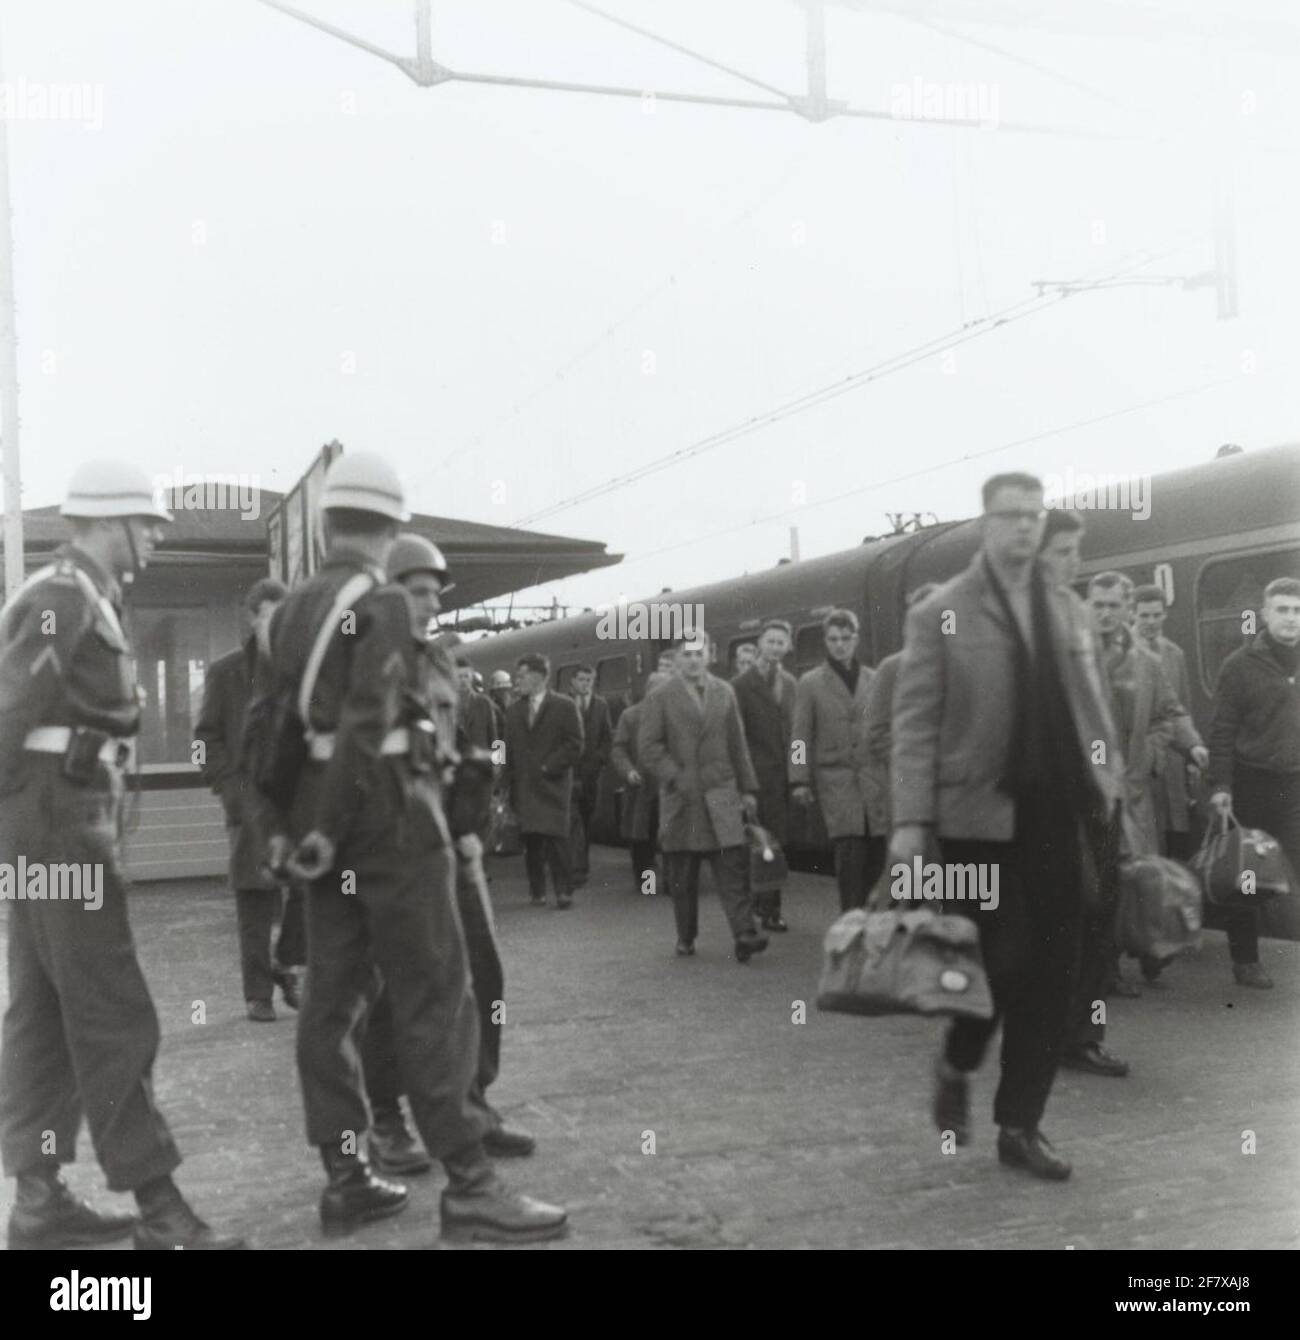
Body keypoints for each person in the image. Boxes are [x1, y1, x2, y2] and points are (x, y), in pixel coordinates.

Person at [250, 452, 565, 1243]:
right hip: (390, 822)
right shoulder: (382, 602)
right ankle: (470, 1184)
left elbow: (269, 736)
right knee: (435, 995)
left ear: (326, 524)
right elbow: (365, 720)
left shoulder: (288, 611)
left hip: (331, 845)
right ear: (391, 527)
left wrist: (295, 833)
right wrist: (328, 824)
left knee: (334, 1002)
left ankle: (347, 1176)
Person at [0, 459, 243, 1249]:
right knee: (113, 1012)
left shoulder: (85, 599)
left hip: (57, 821)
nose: (152, 540)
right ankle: (159, 1207)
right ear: (107, 522)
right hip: (58, 824)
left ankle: (37, 1201)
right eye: (145, 526)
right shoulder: (61, 599)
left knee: (43, 1015)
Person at [891, 471, 1125, 1181]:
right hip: (977, 820)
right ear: (986, 523)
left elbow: (1092, 706)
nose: (1025, 527)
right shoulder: (943, 612)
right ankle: (957, 1063)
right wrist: (908, 824)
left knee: (1054, 974)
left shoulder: (1067, 608)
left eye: (1034, 514)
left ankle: (1020, 1125)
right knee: (993, 966)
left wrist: (1111, 785)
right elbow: (914, 725)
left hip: (1060, 812)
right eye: (1011, 515)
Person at [360, 534, 536, 1177]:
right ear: (389, 592)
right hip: (392, 845)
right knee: (390, 986)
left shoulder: (436, 659)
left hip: (449, 841)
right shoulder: (366, 657)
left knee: (482, 974)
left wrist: (470, 810)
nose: (431, 604)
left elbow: (446, 745)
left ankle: (472, 1103)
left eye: (436, 592)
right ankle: (386, 1120)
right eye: (418, 591)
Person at [196, 576, 304, 1023]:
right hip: (247, 801)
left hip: (296, 801)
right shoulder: (225, 672)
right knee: (254, 900)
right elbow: (204, 740)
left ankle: (286, 962)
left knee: (303, 891)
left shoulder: (303, 670)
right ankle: (258, 994)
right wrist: (229, 789)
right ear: (252, 618)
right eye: (270, 617)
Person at [638, 633, 769, 962]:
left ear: (710, 655)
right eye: (687, 654)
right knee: (683, 875)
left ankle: (744, 933)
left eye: (699, 653)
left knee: (732, 869)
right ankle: (686, 935)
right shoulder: (660, 696)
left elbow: (737, 745)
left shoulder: (724, 692)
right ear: (678, 658)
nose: (693, 660)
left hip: (721, 793)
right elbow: (649, 747)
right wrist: (674, 775)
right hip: (682, 798)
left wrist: (748, 789)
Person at [1206, 576, 1300, 989]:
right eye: (1282, 609)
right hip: (1251, 782)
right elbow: (1222, 731)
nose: (1291, 619)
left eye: (1297, 611)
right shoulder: (1239, 665)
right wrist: (1221, 787)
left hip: (1294, 784)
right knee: (1246, 873)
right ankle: (1245, 960)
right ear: (1264, 615)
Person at [790, 608, 879, 912]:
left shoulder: (873, 678)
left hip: (873, 781)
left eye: (845, 638)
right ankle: (851, 926)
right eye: (832, 639)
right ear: (825, 642)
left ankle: (874, 930)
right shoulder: (811, 683)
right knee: (850, 857)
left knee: (878, 859)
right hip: (837, 782)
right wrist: (799, 779)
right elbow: (799, 736)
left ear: (856, 639)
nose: (839, 644)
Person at [1131, 585, 1209, 861]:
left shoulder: (1174, 654)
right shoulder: (1122, 653)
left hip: (1173, 764)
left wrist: (1192, 749)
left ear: (1164, 615)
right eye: (1144, 615)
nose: (1150, 621)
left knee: (1177, 836)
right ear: (1133, 615)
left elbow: (1181, 708)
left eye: (1156, 615)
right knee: (1147, 840)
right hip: (1140, 761)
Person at [502, 653, 584, 909]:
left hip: (553, 783)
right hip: (524, 785)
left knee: (557, 839)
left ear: (540, 676)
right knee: (532, 842)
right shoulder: (514, 711)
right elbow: (504, 747)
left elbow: (575, 743)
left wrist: (550, 766)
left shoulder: (564, 705)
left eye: (522, 675)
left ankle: (563, 891)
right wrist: (503, 780)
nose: (518, 680)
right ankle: (537, 891)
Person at [731, 619, 797, 931]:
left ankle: (765, 905)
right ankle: (768, 910)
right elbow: (737, 737)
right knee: (762, 844)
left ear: (788, 647)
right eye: (770, 641)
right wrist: (744, 783)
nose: (775, 647)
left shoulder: (792, 684)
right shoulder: (742, 686)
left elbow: (797, 734)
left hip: (782, 778)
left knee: (775, 844)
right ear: (760, 644)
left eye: (780, 642)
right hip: (757, 779)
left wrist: (798, 774)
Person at [610, 672, 670, 892]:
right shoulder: (631, 716)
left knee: (670, 837)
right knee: (642, 842)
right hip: (641, 788)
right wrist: (629, 771)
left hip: (668, 787)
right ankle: (647, 885)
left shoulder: (675, 715)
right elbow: (619, 749)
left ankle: (671, 884)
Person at [569, 664, 612, 888]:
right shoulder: (564, 704)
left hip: (590, 774)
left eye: (589, 680)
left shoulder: (600, 705)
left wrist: (599, 759)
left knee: (586, 817)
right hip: (568, 773)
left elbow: (607, 737)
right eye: (582, 680)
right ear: (573, 682)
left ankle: (580, 860)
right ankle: (577, 867)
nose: (586, 684)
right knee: (572, 819)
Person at [455, 656, 499, 755]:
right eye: (459, 676)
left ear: (472, 677)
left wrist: (499, 764)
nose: (463, 680)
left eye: (466, 676)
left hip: (482, 765)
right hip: (457, 765)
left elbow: (495, 737)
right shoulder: (448, 706)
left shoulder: (484, 702)